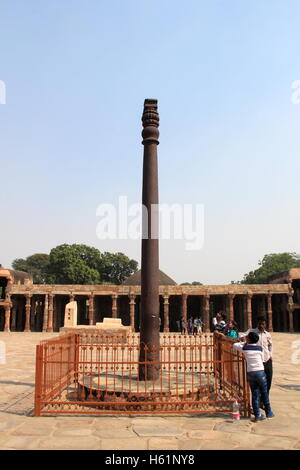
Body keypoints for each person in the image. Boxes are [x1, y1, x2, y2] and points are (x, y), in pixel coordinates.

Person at [233, 332, 275, 422]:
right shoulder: (259, 348)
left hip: (251, 373)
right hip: (260, 371)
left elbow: (235, 344)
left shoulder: (245, 347)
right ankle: (269, 412)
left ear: (248, 339)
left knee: (254, 394)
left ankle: (257, 415)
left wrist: (243, 342)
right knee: (264, 393)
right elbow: (263, 358)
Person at [240, 317, 273, 393]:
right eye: (260, 323)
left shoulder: (267, 334)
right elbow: (241, 336)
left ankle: (264, 398)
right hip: (258, 361)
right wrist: (243, 340)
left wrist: (270, 354)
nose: (261, 325)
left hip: (267, 360)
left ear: (265, 325)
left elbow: (270, 345)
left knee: (268, 381)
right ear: (257, 324)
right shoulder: (252, 332)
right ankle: (260, 401)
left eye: (263, 324)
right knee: (258, 383)